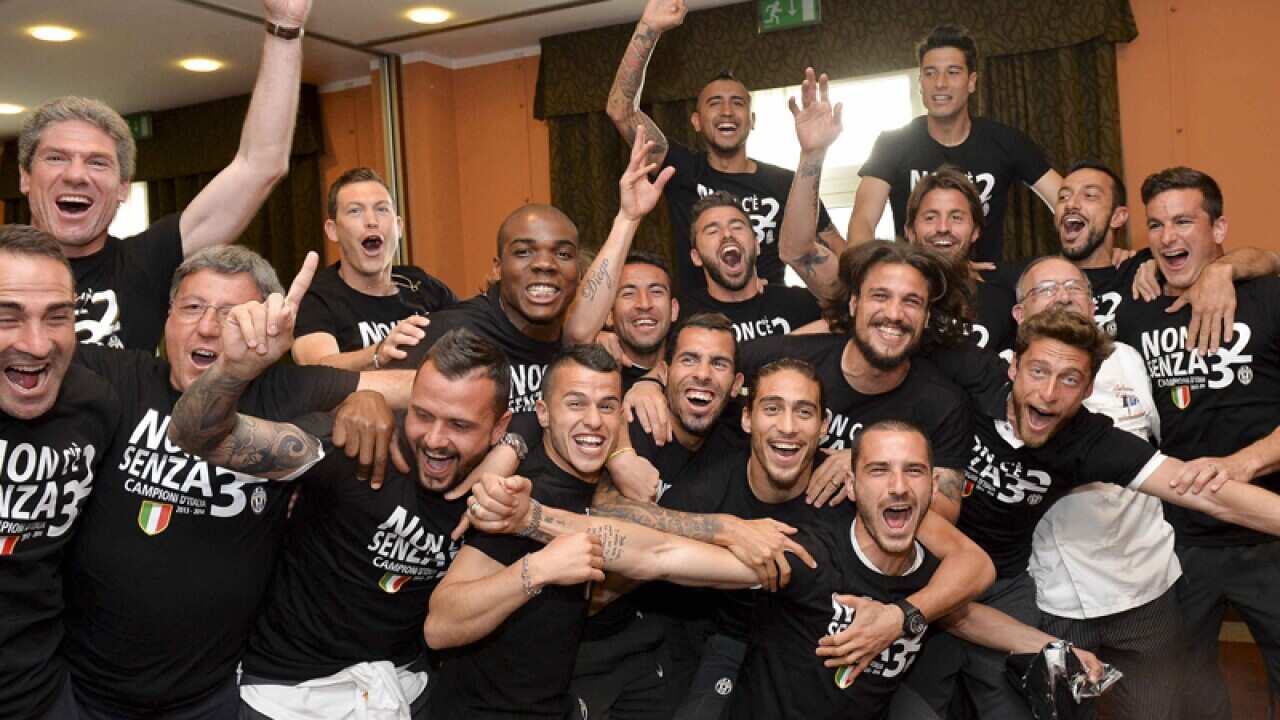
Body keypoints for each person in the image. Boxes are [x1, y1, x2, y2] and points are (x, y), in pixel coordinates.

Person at [455, 356, 995, 719]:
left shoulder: (869, 492)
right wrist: (532, 517)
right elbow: (655, 549)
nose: (788, 426)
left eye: (804, 412)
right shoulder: (785, 537)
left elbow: (974, 569)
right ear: (748, 419)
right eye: (773, 409)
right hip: (735, 649)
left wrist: (902, 617)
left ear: (824, 427)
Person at [59, 247, 413, 718]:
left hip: (211, 697)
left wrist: (364, 398)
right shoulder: (116, 376)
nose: (207, 327)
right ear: (167, 317)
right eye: (192, 307)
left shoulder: (285, 392)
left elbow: (434, 391)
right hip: (82, 692)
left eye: (232, 315)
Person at [893, 306, 1280, 719]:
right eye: (1038, 371)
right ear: (1013, 367)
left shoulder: (1089, 440)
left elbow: (1205, 493)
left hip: (1001, 585)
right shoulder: (972, 372)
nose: (1048, 392)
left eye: (1069, 379)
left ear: (1088, 388)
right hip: (918, 564)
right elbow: (887, 337)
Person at [423, 345, 799, 719]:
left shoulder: (597, 487)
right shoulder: (524, 492)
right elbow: (439, 626)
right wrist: (536, 570)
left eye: (606, 406)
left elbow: (660, 552)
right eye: (575, 404)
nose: (593, 420)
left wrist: (751, 545)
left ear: (620, 418)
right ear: (543, 413)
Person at [169, 325, 513, 719]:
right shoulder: (353, 442)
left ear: (499, 428)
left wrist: (517, 444)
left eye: (459, 425)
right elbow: (193, 435)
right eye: (423, 414)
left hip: (399, 690)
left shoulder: (508, 485)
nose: (434, 439)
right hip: (290, 696)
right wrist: (233, 367)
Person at [729, 418, 1100, 720]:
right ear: (852, 486)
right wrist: (722, 527)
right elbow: (699, 565)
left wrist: (1057, 648)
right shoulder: (813, 554)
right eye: (879, 471)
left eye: (914, 472)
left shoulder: (928, 573)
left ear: (933, 485)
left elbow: (967, 615)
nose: (898, 487)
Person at [16, 0, 313, 351]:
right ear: (25, 177)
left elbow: (260, 165)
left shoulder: (145, 263)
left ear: (123, 188)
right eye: (56, 158)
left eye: (97, 163)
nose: (76, 175)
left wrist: (284, 28)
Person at [1113, 166, 1280, 719]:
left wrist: (1244, 464)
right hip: (1179, 541)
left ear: (1219, 229)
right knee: (1188, 695)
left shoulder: (1267, 297)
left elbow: (1268, 258)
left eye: (1184, 221)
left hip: (1269, 530)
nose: (1168, 237)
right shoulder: (1135, 309)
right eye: (1156, 225)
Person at [605, 0, 843, 292]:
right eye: (715, 103)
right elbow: (621, 110)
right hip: (701, 315)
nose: (727, 111)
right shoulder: (681, 169)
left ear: (752, 120)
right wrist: (648, 29)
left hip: (772, 313)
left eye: (738, 103)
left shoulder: (785, 184)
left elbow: (839, 249)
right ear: (696, 121)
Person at [728, 241, 973, 523]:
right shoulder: (790, 357)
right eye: (880, 296)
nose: (894, 314)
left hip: (844, 544)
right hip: (749, 525)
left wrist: (871, 465)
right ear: (855, 304)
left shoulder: (943, 405)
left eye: (911, 302)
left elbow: (946, 510)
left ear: (926, 317)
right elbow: (705, 369)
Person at [779, 69, 1016, 353]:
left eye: (956, 217)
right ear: (909, 230)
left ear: (976, 230)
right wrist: (812, 155)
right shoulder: (872, 287)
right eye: (930, 217)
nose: (943, 227)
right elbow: (798, 252)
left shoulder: (1005, 296)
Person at [0, 224, 120, 720]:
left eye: (57, 317)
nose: (37, 344)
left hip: (43, 695)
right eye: (6, 317)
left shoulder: (95, 404)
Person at [849, 25, 1060, 261]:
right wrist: (871, 270)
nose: (940, 83)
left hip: (984, 279)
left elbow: (1066, 201)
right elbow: (862, 221)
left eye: (953, 72)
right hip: (915, 276)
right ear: (920, 83)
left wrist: (1093, 253)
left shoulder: (1006, 141)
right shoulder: (892, 145)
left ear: (971, 82)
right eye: (930, 73)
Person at [292, 167, 456, 370]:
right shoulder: (318, 298)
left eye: (382, 209)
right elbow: (318, 368)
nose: (371, 222)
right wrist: (378, 354)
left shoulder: (421, 284)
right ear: (333, 231)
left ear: (399, 227)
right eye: (355, 211)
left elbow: (472, 333)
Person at [679, 191, 823, 343]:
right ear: (696, 257)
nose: (727, 234)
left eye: (737, 227)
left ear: (757, 245)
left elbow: (839, 314)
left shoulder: (798, 304)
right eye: (713, 231)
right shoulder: (684, 317)